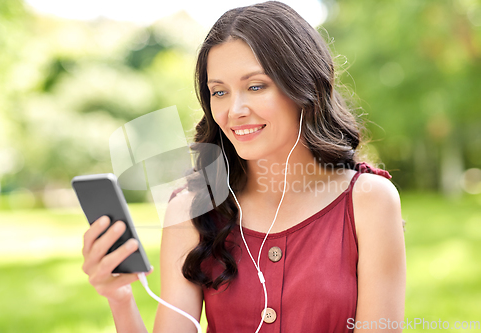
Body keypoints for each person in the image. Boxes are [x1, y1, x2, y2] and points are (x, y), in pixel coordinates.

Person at [81, 1, 406, 332]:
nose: (234, 110)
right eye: (219, 92)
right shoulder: (191, 209)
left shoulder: (368, 201)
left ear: (304, 85)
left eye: (255, 86)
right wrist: (120, 298)